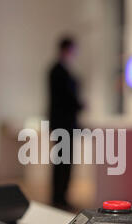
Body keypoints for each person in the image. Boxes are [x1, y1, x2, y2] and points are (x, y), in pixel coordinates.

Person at [48, 36, 82, 210]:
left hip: (65, 124)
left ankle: (61, 196)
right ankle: (59, 197)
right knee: (62, 162)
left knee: (64, 162)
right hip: (63, 124)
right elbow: (66, 99)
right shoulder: (58, 71)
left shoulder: (60, 70)